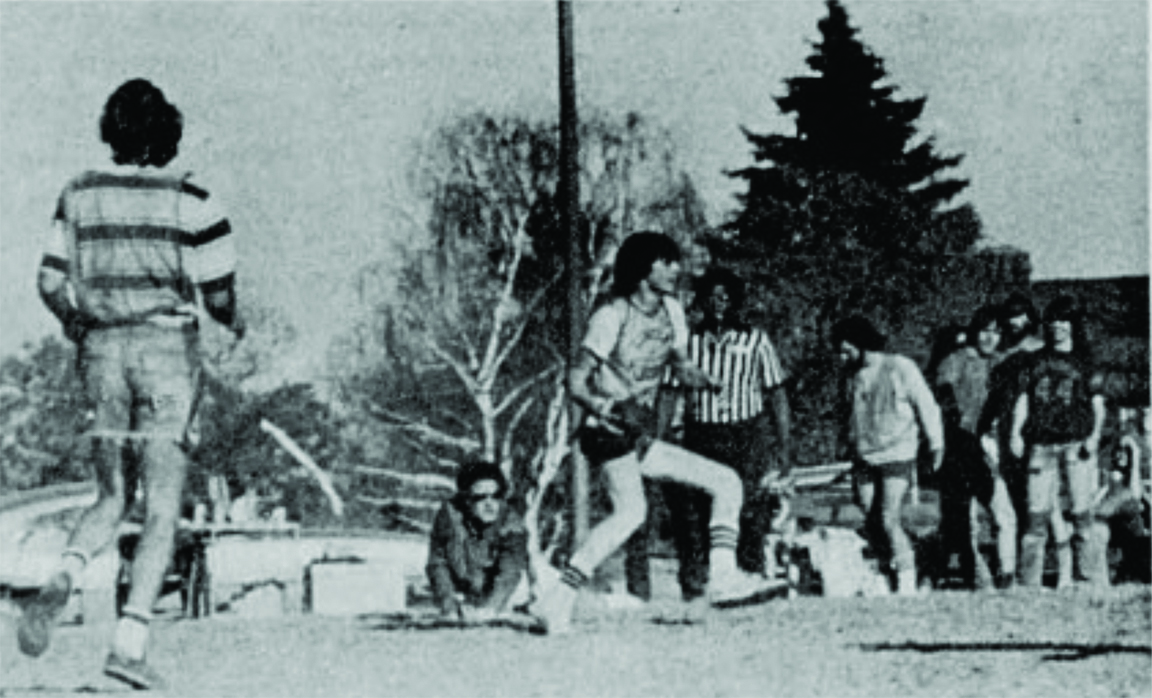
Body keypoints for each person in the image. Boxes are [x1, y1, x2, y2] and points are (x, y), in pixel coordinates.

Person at [19, 78, 244, 690]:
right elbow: (219, 294)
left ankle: (63, 576)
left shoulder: (78, 193)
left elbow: (47, 281)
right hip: (166, 352)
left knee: (110, 495)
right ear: (168, 129)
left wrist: (75, 322)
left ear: (110, 130)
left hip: (101, 352)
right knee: (163, 508)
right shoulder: (195, 198)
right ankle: (130, 645)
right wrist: (233, 319)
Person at [530, 232, 777, 634]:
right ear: (644, 268)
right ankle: (559, 597)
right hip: (607, 430)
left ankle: (722, 574)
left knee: (723, 482)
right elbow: (575, 381)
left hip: (637, 431)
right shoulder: (611, 315)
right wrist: (605, 407)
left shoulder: (673, 311)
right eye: (667, 262)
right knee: (633, 513)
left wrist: (702, 379)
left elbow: (678, 365)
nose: (676, 269)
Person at [625, 267, 792, 602]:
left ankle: (748, 575)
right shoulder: (688, 342)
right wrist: (657, 440)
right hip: (702, 435)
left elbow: (776, 394)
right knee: (694, 512)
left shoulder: (755, 340)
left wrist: (783, 446)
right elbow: (669, 393)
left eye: (726, 297)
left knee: (748, 507)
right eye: (712, 297)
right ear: (701, 301)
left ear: (736, 301)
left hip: (745, 434)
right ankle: (696, 585)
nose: (719, 304)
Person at [832, 315, 944, 595]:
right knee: (870, 517)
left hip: (897, 453)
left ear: (860, 343)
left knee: (888, 517)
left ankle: (908, 577)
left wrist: (935, 443)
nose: (841, 355)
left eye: (845, 348)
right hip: (865, 455)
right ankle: (884, 571)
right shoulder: (850, 376)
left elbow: (926, 405)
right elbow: (845, 414)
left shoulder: (900, 367)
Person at [1008, 295, 1108, 587]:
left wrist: (1094, 437)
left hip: (1077, 445)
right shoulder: (1033, 360)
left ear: (1073, 324)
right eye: (1052, 320)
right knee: (1035, 517)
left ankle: (1087, 578)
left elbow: (1098, 406)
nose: (1057, 326)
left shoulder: (1087, 361)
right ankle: (1029, 582)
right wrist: (1016, 432)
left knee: (1081, 514)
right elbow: (1023, 399)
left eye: (1063, 320)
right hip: (1040, 444)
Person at [978, 290, 1072, 586]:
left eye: (1020, 315)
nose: (1015, 321)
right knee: (1016, 506)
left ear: (1031, 317)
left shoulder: (1042, 351)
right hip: (1007, 439)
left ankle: (1065, 573)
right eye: (1010, 316)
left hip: (1037, 437)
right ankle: (1020, 571)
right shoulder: (1001, 356)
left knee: (1047, 505)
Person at [933, 304, 1017, 590]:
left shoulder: (1003, 363)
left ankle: (1007, 574)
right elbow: (944, 396)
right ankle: (978, 578)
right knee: (964, 520)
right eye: (985, 330)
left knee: (1003, 513)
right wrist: (960, 427)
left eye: (996, 331)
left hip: (992, 447)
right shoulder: (957, 360)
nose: (990, 337)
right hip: (961, 448)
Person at [425, 460, 531, 621]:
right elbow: (437, 563)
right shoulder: (448, 516)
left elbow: (510, 572)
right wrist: (448, 605)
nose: (489, 504)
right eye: (480, 497)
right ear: (466, 500)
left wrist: (489, 609)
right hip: (464, 591)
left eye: (496, 496)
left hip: (507, 594)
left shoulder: (512, 523)